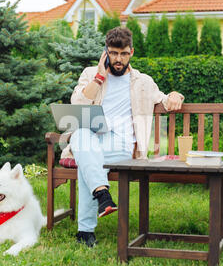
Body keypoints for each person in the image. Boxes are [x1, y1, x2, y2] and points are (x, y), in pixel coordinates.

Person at [60, 27, 184, 247]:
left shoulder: (143, 81)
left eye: (123, 53)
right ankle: (102, 195)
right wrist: (99, 77)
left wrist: (176, 94)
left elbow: (165, 100)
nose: (118, 59)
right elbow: (77, 105)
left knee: (89, 160)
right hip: (91, 137)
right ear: (106, 52)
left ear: (132, 52)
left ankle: (86, 230)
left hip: (122, 143)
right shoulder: (91, 74)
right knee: (81, 136)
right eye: (114, 53)